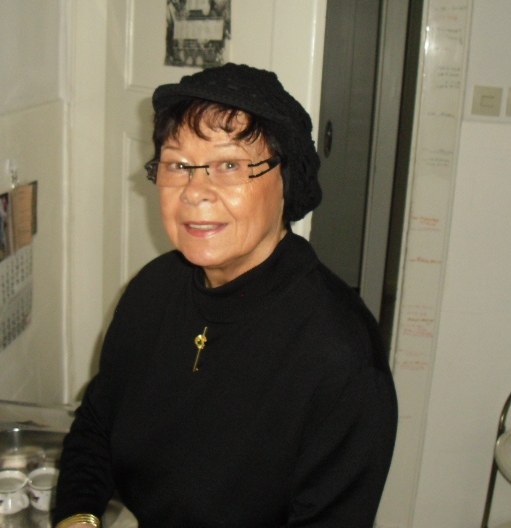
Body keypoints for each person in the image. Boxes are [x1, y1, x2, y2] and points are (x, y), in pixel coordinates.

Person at [53, 63, 398, 528]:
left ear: (287, 180)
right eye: (178, 165)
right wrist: (77, 517)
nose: (195, 192)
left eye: (230, 165)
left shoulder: (340, 356)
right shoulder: (153, 289)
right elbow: (97, 422)